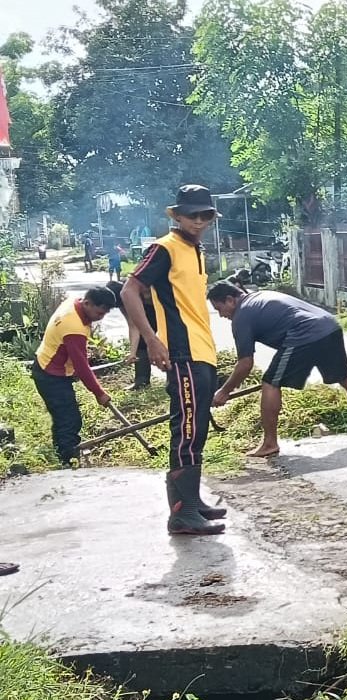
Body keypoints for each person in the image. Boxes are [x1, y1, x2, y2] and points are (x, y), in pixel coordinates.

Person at [120, 184, 226, 535]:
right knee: (186, 429)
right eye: (192, 215)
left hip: (203, 351)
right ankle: (180, 513)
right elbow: (129, 290)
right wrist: (150, 340)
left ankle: (192, 503)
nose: (198, 221)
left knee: (198, 429)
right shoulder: (163, 249)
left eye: (205, 215)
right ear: (176, 216)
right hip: (181, 353)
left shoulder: (194, 250)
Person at [208, 282, 347, 457]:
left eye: (219, 308)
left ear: (230, 300)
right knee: (345, 378)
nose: (221, 315)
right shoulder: (259, 296)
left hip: (304, 334)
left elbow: (245, 363)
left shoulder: (241, 316)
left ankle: (270, 443)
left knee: (270, 383)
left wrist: (224, 392)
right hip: (329, 326)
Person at [31, 287, 116, 466]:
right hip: (50, 374)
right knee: (69, 420)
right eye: (99, 312)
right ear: (87, 303)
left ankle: (63, 452)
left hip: (47, 365)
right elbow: (82, 367)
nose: (101, 317)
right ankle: (68, 461)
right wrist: (99, 393)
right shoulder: (74, 327)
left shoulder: (74, 302)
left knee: (64, 416)